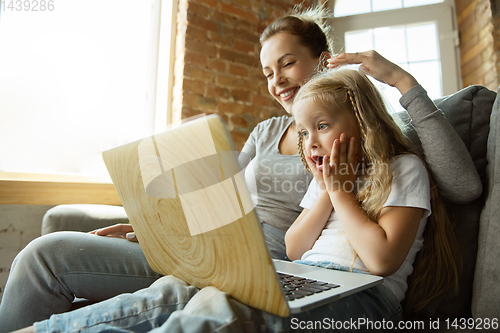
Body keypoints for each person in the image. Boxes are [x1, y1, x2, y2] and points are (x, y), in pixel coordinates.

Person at [0, 4, 478, 332]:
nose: (276, 81)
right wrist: (156, 228)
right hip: (227, 254)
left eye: (287, 64)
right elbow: (216, 205)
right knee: (44, 256)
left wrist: (400, 81)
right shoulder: (268, 134)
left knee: (203, 306)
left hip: (273, 264)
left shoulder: (371, 146)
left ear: (326, 62)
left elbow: (459, 186)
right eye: (267, 72)